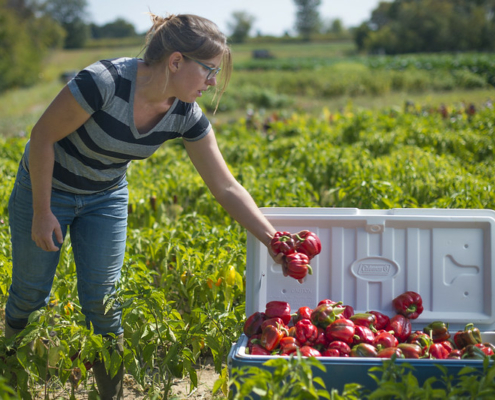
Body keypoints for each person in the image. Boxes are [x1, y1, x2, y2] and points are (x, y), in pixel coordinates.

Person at [4, 13, 285, 399]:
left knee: (104, 301)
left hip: (105, 196)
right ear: (175, 61)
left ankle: (111, 396)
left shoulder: (185, 113)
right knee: (30, 294)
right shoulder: (104, 83)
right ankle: (11, 385)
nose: (213, 82)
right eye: (209, 70)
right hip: (47, 187)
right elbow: (41, 138)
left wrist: (274, 240)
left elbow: (225, 186)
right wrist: (41, 211)